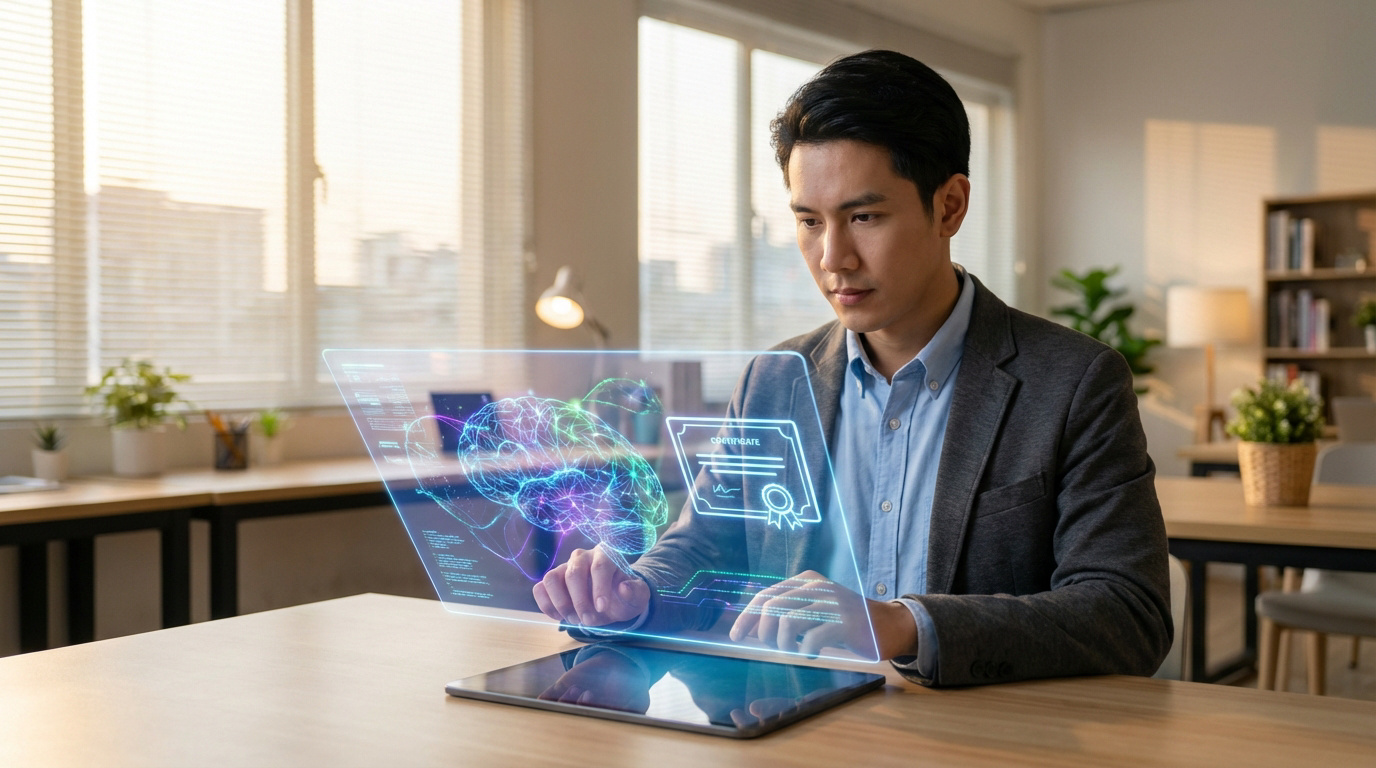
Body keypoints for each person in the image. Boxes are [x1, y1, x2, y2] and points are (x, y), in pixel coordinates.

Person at [533, 49, 1171, 686]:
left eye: (864, 217)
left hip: (981, 737)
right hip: (794, 724)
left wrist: (902, 624)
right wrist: (636, 592)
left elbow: (1127, 612)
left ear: (949, 206)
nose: (833, 258)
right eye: (810, 222)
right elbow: (703, 546)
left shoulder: (1075, 382)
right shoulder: (775, 379)